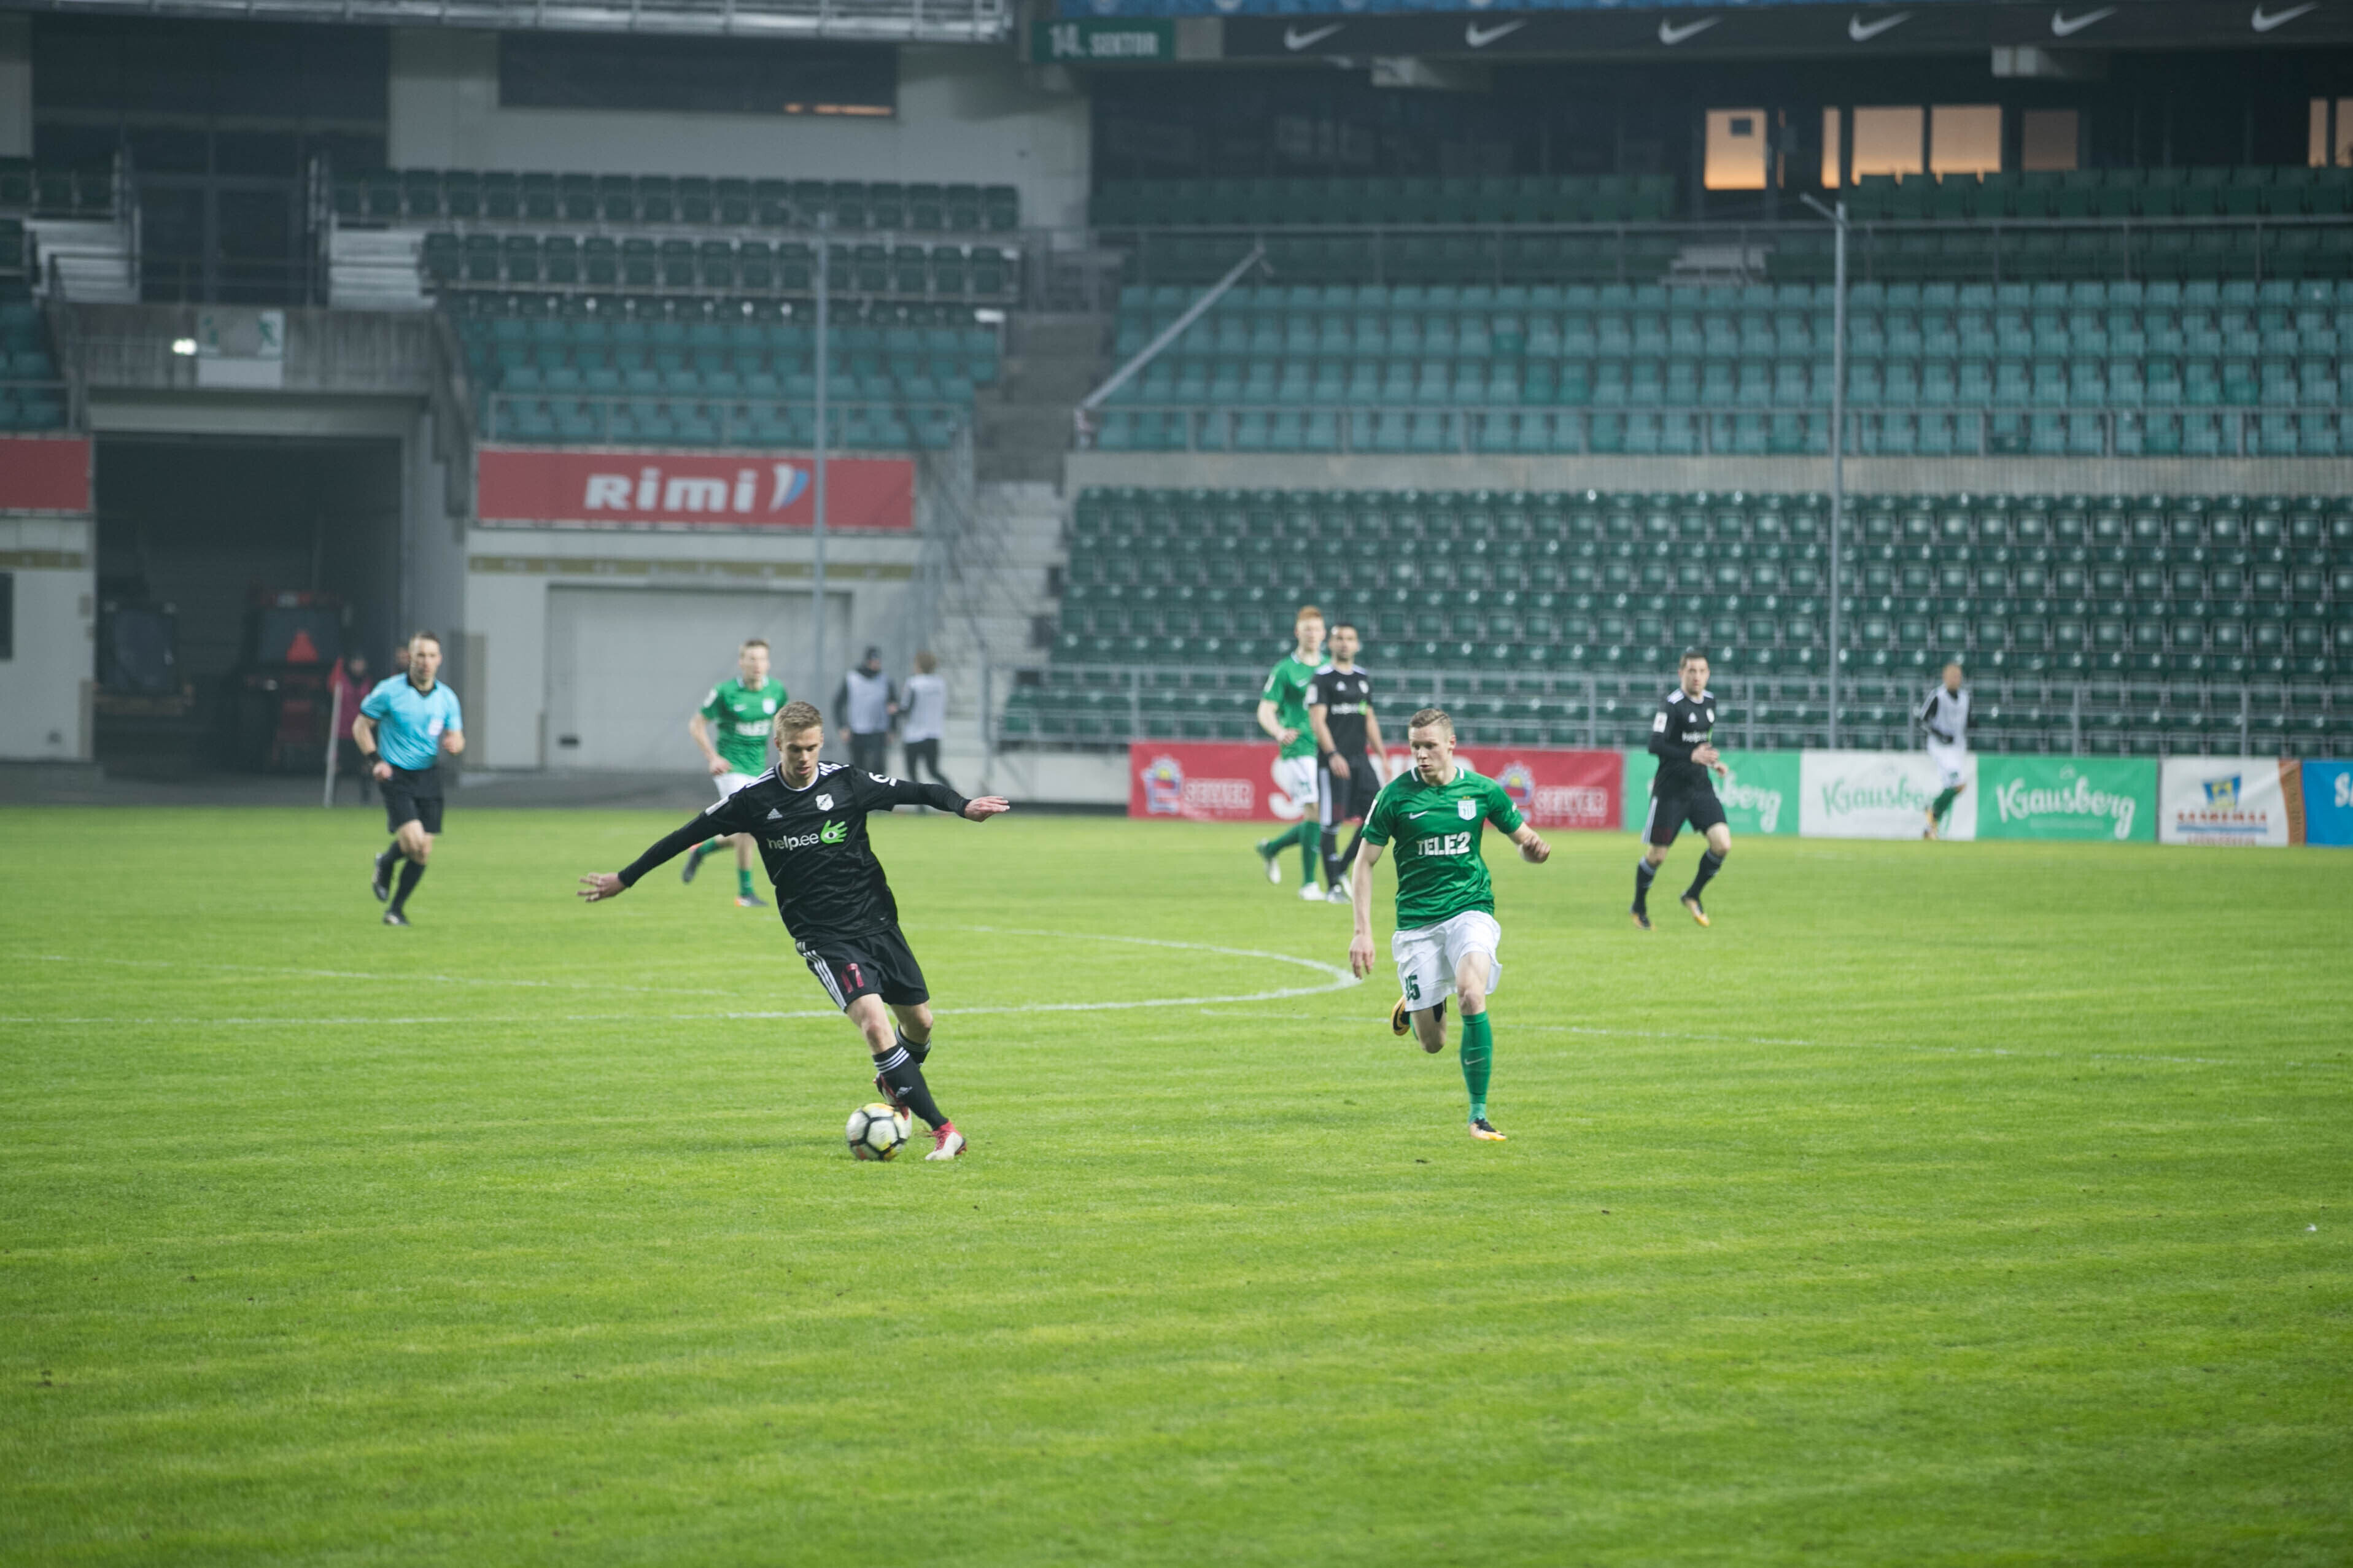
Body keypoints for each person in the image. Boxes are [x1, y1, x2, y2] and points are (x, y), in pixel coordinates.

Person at [576, 701, 1012, 1161]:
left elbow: (918, 790)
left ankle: (895, 1083)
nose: (804, 758)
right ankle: (944, 1130)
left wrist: (963, 806)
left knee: (920, 1023)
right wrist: (625, 878)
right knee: (874, 1024)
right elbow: (683, 835)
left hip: (878, 923)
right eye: (794, 749)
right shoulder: (754, 799)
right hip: (824, 936)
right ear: (778, 745)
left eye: (811, 748)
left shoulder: (846, 782)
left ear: (821, 742)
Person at [1348, 708, 1550, 1142]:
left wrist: (1531, 852)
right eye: (1414, 747)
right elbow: (1363, 863)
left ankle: (1479, 1115)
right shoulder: (1394, 797)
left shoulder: (1483, 790)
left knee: (1471, 994)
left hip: (1470, 909)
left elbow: (1523, 842)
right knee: (1433, 1043)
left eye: (1429, 746)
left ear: (1451, 745)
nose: (1421, 755)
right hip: (1417, 924)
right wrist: (1362, 931)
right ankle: (1414, 1003)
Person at [354, 631, 465, 927]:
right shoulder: (389, 691)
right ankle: (387, 863)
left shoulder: (447, 698)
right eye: (420, 655)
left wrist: (455, 744)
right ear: (409, 658)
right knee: (413, 840)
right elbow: (360, 726)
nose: (426, 662)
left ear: (439, 660)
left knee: (423, 851)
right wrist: (376, 761)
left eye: (431, 656)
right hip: (396, 774)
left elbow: (458, 736)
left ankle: (395, 909)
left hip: (429, 776)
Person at [683, 637, 785, 908]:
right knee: (748, 829)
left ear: (768, 663)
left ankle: (702, 849)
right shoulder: (725, 692)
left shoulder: (776, 691)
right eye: (752, 659)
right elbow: (696, 725)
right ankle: (745, 893)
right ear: (741, 662)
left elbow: (783, 727)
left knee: (753, 831)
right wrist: (712, 757)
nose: (757, 664)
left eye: (762, 659)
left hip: (758, 770)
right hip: (731, 770)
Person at [1632, 649, 1731, 931]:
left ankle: (1692, 894)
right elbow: (1655, 744)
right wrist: (1691, 756)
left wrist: (1712, 762)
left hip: (1700, 788)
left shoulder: (1710, 702)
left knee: (1722, 844)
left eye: (1702, 671)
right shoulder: (1671, 705)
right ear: (1681, 673)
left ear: (1708, 674)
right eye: (1691, 671)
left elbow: (1701, 743)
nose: (1697, 676)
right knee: (1657, 856)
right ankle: (1639, 907)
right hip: (1671, 792)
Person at [1252, 605, 1327, 901]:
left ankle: (1271, 848)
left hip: (1325, 747)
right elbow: (1265, 709)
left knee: (1320, 816)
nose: (1312, 635)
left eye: (1317, 629)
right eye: (1307, 629)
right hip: (1299, 747)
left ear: (1324, 634)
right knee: (1314, 808)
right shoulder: (1285, 669)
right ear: (1298, 632)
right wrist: (1279, 731)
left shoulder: (1329, 667)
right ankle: (1309, 884)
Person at [1308, 620, 1385, 903]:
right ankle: (1333, 887)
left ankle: (1341, 868)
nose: (1344, 643)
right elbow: (1317, 721)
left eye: (1350, 639)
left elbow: (1369, 718)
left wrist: (1382, 755)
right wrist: (1332, 755)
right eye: (1339, 638)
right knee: (1332, 822)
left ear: (1357, 644)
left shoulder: (1363, 678)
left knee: (1375, 815)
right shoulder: (1322, 678)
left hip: (1360, 760)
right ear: (1331, 643)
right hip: (1333, 762)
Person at [1917, 658, 1971, 840]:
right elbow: (1923, 720)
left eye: (1958, 676)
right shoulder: (1937, 696)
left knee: (1957, 786)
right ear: (1945, 677)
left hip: (1958, 748)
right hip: (1940, 748)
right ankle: (1933, 812)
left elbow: (1966, 721)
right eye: (1953, 676)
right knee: (1957, 784)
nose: (1956, 679)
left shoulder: (1965, 698)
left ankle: (1931, 824)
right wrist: (1940, 735)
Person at [835, 646, 897, 777]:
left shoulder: (885, 680)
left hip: (878, 730)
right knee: (859, 768)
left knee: (879, 767)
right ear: (867, 661)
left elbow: (894, 706)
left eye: (878, 661)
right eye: (873, 661)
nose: (876, 664)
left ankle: (878, 790)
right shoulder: (852, 678)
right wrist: (842, 727)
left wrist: (893, 728)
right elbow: (838, 704)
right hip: (857, 730)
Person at [899, 651, 954, 792]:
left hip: (914, 734)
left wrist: (893, 710)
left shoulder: (913, 683)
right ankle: (954, 795)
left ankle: (919, 801)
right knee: (933, 771)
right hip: (934, 732)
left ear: (918, 665)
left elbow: (906, 708)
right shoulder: (940, 684)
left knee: (912, 772)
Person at [329, 651, 373, 803]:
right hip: (343, 730)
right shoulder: (341, 681)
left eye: (360, 663)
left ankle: (365, 798)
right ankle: (331, 796)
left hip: (362, 730)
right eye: (355, 663)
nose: (358, 667)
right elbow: (331, 688)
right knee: (338, 764)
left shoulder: (369, 682)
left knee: (364, 764)